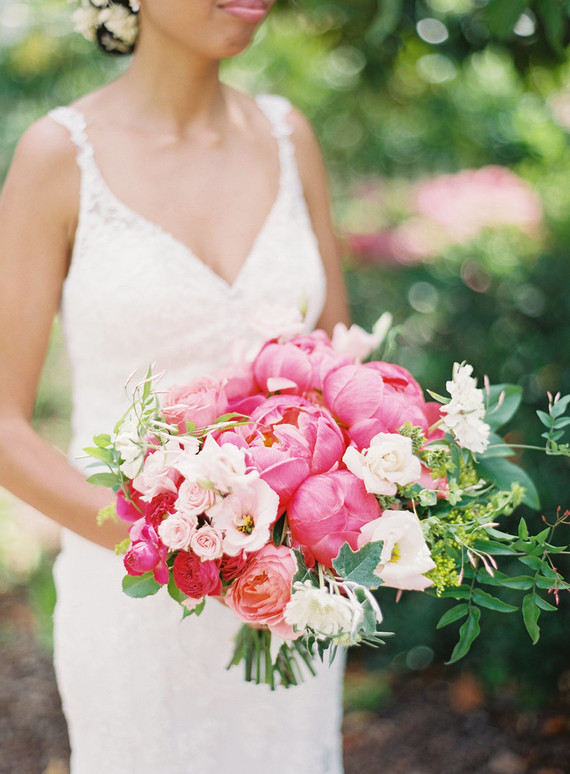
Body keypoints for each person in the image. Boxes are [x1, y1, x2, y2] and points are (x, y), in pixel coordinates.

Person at [0, 1, 351, 772]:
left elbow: (338, 379)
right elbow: (3, 425)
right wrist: (169, 549)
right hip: (136, 601)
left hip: (289, 600)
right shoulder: (58, 156)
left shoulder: (291, 136)